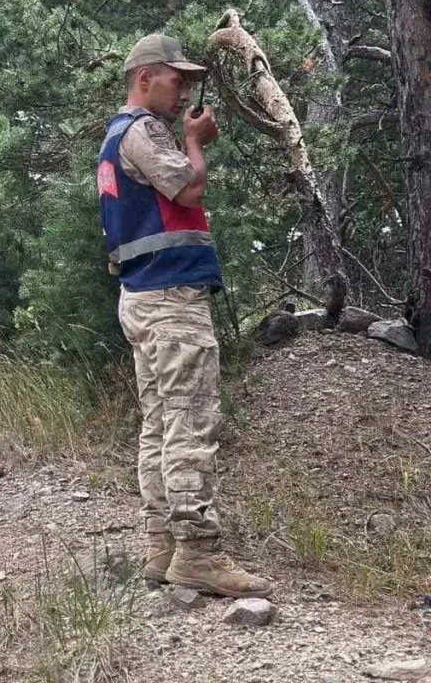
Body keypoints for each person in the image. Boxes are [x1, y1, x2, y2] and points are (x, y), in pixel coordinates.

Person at [97, 33, 272, 599]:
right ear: (145, 77)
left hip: (142, 297)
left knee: (159, 423)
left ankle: (162, 547)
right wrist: (196, 142)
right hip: (171, 299)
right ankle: (198, 552)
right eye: (178, 79)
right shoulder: (144, 131)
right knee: (190, 421)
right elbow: (190, 188)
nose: (185, 91)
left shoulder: (114, 138)